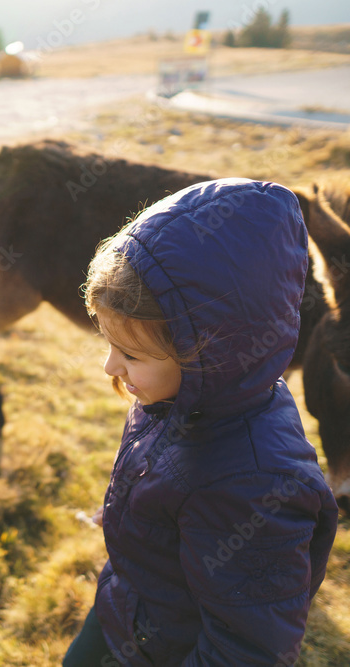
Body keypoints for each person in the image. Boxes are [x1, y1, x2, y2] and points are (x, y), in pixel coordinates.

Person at [64, 178, 339, 666]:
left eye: (129, 353)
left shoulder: (254, 487)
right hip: (132, 607)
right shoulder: (190, 396)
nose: (110, 368)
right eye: (109, 345)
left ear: (209, 354)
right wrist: (133, 513)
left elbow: (249, 647)